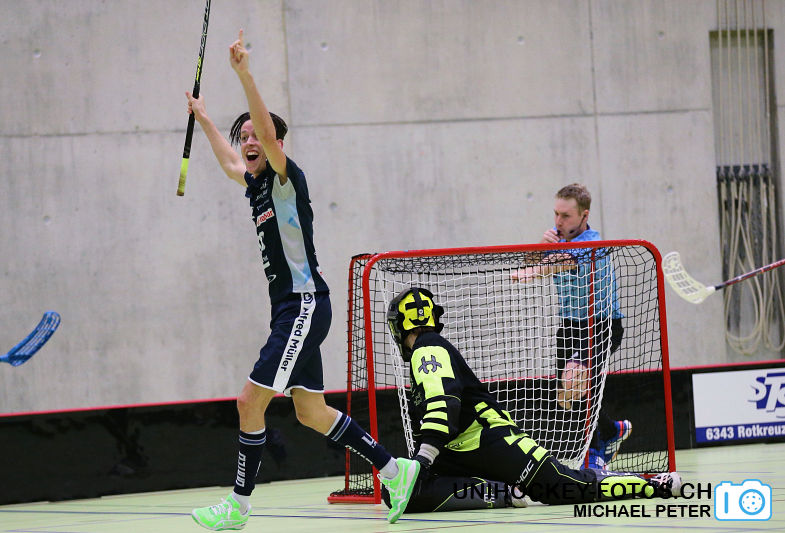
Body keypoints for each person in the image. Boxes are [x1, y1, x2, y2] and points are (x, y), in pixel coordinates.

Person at [186, 30, 419, 529]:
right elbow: (229, 163)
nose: (249, 142)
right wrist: (203, 117)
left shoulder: (287, 179)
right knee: (312, 412)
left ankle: (238, 506)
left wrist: (245, 75)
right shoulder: (254, 186)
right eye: (244, 136)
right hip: (292, 309)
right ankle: (395, 471)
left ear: (276, 144)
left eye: (258, 136)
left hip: (304, 304)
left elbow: (267, 141)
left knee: (249, 401)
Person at [382, 286, 681, 514]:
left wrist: (422, 461)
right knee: (397, 492)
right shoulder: (428, 349)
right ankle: (504, 493)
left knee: (564, 487)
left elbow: (444, 404)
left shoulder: (427, 348)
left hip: (491, 440)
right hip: (456, 454)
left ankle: (653, 483)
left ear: (400, 326)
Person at [511, 183, 628, 469]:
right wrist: (541, 247)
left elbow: (560, 262)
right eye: (556, 214)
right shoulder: (557, 240)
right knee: (567, 396)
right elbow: (533, 260)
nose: (558, 221)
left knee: (576, 379)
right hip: (570, 327)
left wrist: (533, 272)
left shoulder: (591, 242)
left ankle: (595, 455)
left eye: (565, 216)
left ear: (584, 215)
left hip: (601, 326)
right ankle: (612, 430)